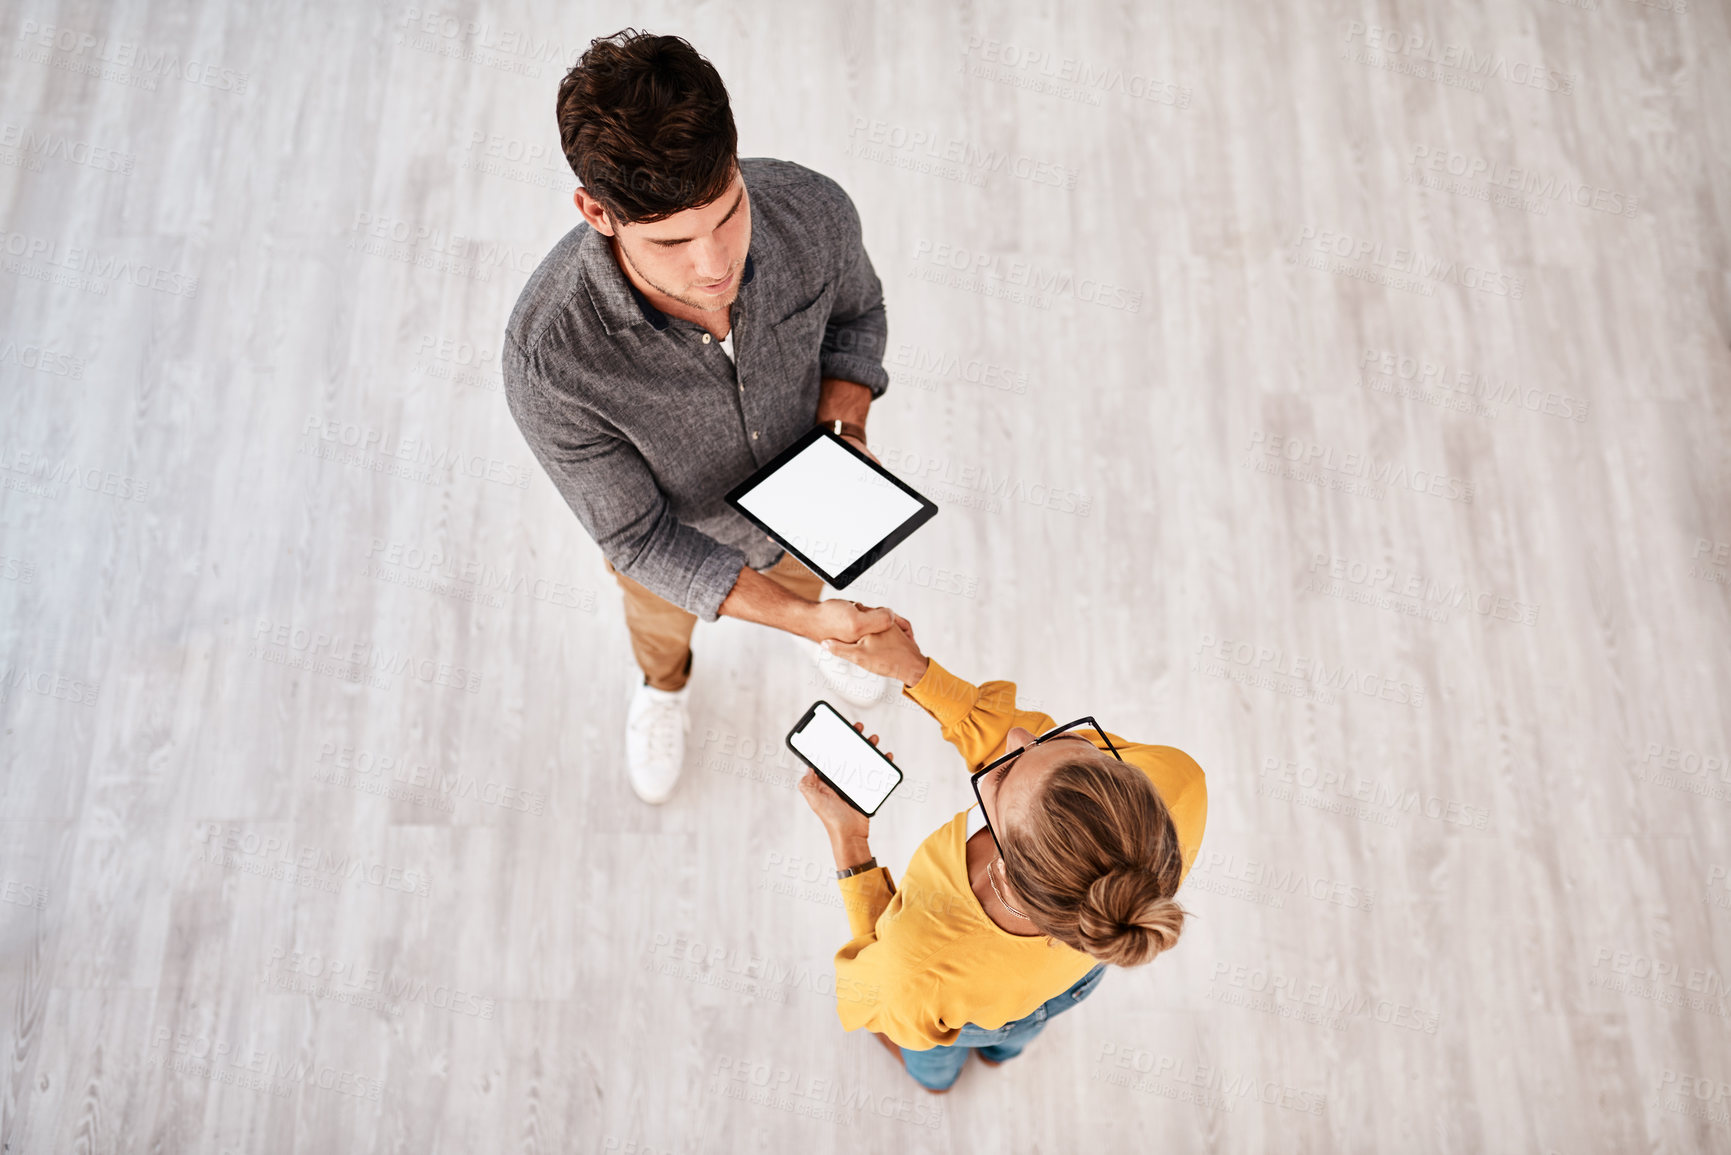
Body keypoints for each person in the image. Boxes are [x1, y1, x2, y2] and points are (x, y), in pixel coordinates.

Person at [503, 29, 899, 806]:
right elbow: (637, 538)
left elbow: (859, 317)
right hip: (672, 547)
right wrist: (802, 623)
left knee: (815, 581)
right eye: (673, 240)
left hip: (806, 503)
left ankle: (824, 620)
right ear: (597, 211)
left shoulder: (813, 209)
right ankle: (662, 688)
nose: (715, 263)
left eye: (726, 213)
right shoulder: (550, 360)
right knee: (658, 630)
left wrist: (844, 434)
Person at [796, 618, 1208, 1093]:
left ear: (1009, 874)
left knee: (930, 1051)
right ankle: (1000, 1056)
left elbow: (872, 999)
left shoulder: (920, 967)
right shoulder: (1174, 782)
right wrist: (918, 671)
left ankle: (936, 1082)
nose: (1016, 738)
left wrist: (850, 841)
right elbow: (1036, 768)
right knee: (1022, 1029)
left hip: (966, 1010)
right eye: (1065, 745)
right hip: (1078, 975)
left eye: (1003, 776)